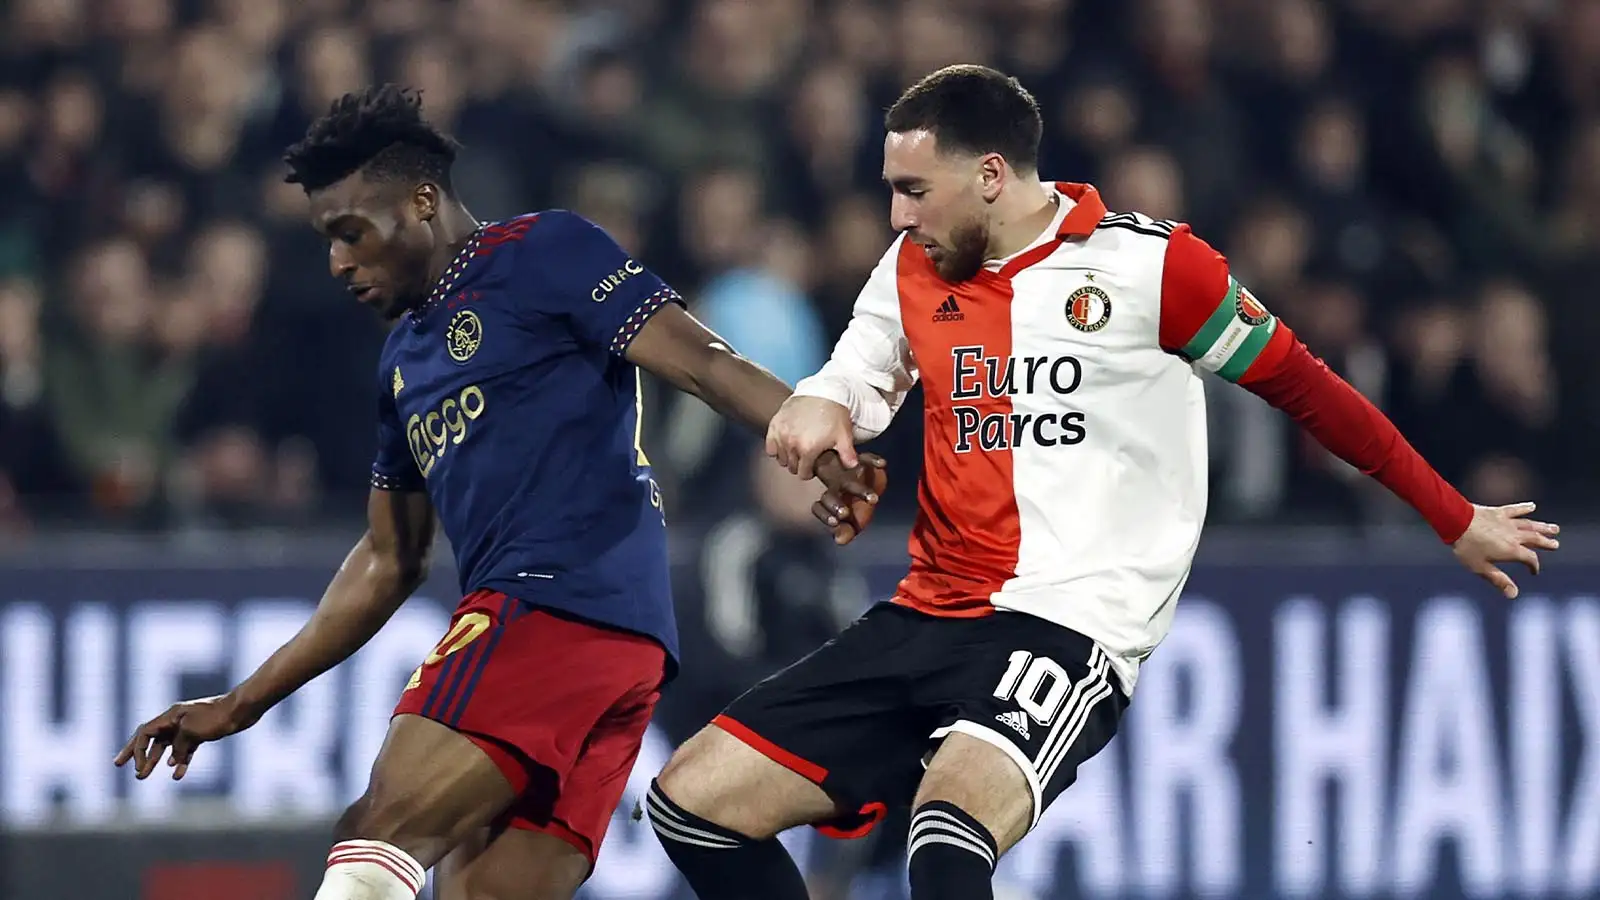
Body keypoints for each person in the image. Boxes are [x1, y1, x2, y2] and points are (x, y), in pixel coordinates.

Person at [645, 64, 1561, 900]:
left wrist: (1453, 516)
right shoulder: (915, 266)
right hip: (926, 612)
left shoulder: (1155, 270)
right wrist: (821, 404)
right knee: (692, 805)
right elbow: (861, 373)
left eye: (914, 191)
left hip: (1070, 623)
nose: (897, 216)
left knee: (944, 838)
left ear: (992, 176)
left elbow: (1313, 393)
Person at [113, 85, 885, 900]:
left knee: (378, 829)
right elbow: (389, 558)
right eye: (327, 241)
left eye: (351, 233)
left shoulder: (542, 252)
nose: (339, 261)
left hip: (550, 607)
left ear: (420, 200)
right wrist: (243, 701)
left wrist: (815, 434)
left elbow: (702, 360)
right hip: (618, 646)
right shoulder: (401, 365)